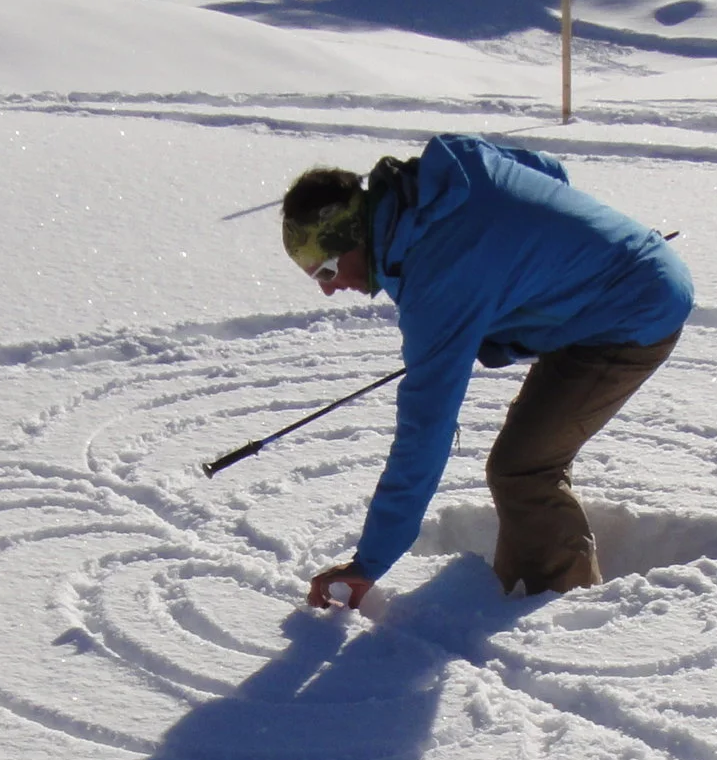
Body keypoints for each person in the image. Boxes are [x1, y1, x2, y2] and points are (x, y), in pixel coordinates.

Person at [280, 134, 691, 611]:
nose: (329, 290)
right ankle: (520, 585)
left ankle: (566, 613)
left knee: (523, 468)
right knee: (526, 454)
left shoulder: (437, 278)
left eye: (325, 271)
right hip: (617, 288)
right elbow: (546, 171)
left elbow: (425, 432)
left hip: (634, 315)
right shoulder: (447, 173)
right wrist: (562, 258)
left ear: (353, 238)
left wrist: (369, 562)